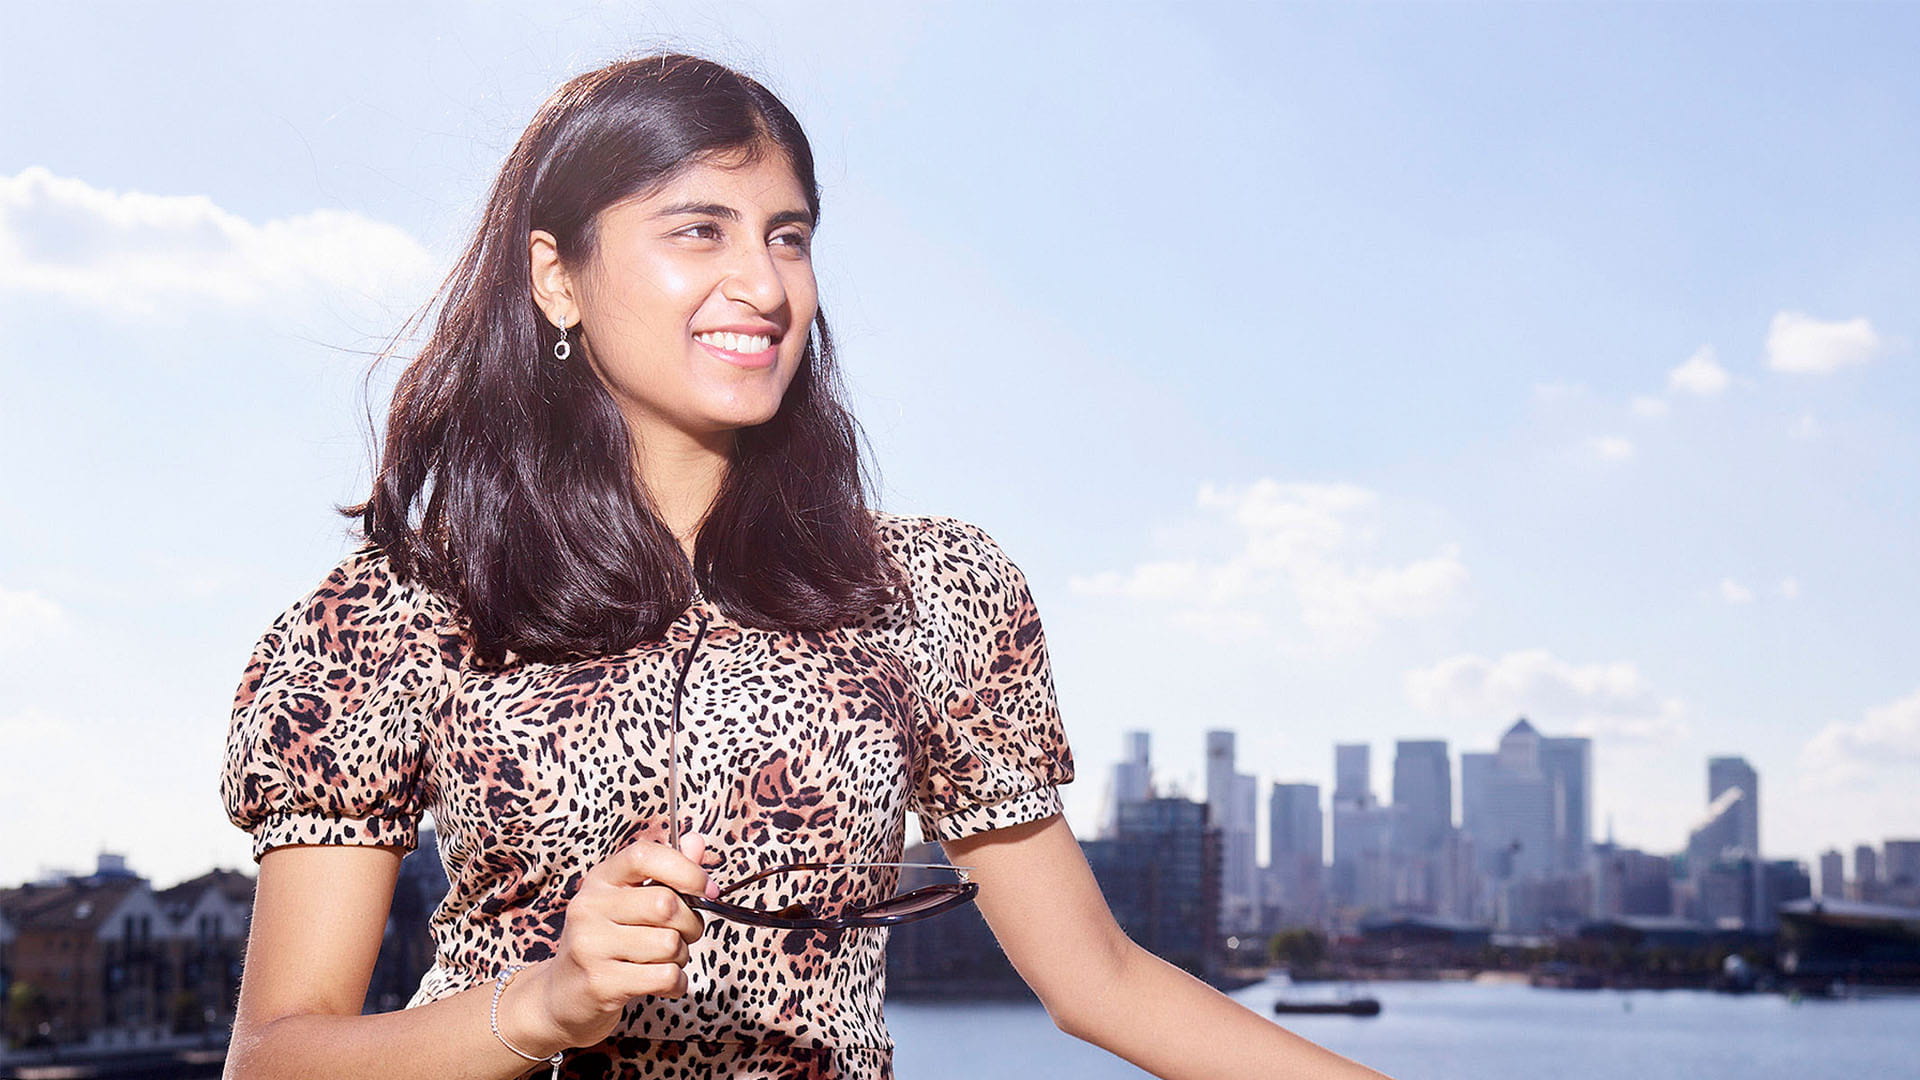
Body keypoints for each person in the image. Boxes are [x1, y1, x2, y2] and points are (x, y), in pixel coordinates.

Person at [219, 53, 1391, 1080]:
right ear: (557, 276)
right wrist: (543, 1005)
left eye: (789, 235)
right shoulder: (395, 615)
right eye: (699, 229)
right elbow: (277, 1057)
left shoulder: (931, 593)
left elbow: (1102, 985)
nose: (766, 284)